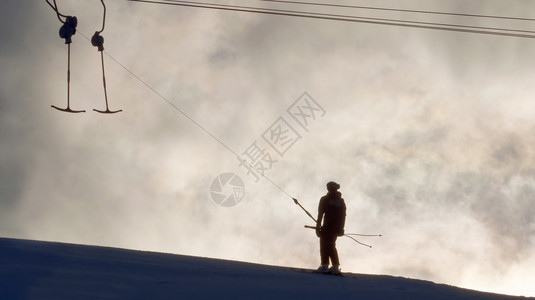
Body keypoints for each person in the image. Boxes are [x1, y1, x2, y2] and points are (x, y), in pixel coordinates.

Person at [316, 181, 346, 274]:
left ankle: (328, 266)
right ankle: (332, 266)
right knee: (329, 245)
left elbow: (320, 214)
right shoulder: (339, 201)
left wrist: (318, 227)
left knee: (326, 245)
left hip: (330, 227)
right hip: (331, 227)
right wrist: (341, 229)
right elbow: (343, 216)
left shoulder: (326, 199)